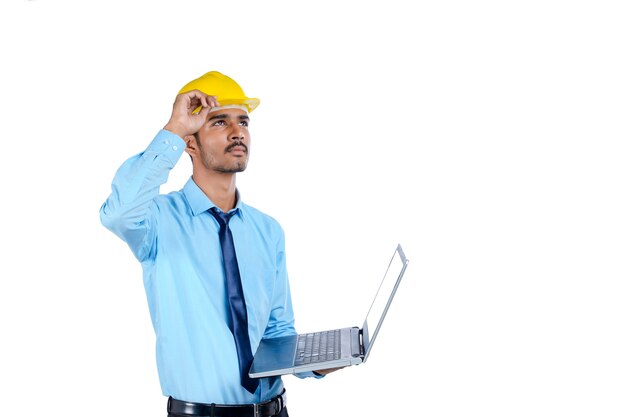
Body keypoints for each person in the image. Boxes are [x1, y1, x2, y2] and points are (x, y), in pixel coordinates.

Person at [100, 71, 340, 417]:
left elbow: (276, 332)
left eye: (243, 121)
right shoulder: (158, 222)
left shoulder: (268, 230)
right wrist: (174, 128)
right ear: (191, 144)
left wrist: (317, 362)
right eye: (219, 122)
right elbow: (117, 214)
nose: (237, 131)